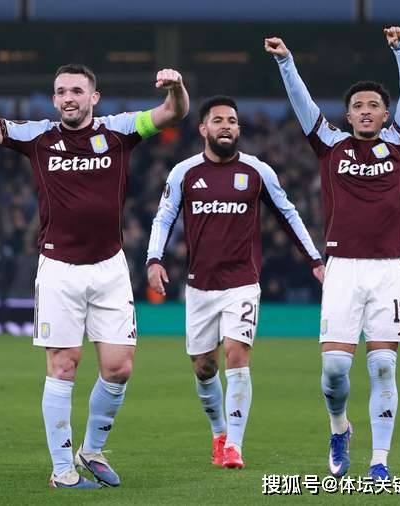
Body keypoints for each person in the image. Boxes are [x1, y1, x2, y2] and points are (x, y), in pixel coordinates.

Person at [0, 61, 188, 488]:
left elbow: (173, 112)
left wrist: (176, 87)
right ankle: (62, 471)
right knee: (63, 365)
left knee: (119, 367)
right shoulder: (38, 136)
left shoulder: (120, 130)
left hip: (110, 267)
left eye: (76, 91)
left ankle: (91, 450)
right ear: (54, 99)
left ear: (94, 97)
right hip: (58, 269)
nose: (68, 98)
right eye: (60, 92)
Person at [266, 26, 400, 481]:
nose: (366, 110)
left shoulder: (399, 143)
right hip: (343, 269)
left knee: (383, 367)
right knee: (335, 370)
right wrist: (285, 61)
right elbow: (302, 104)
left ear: (387, 114)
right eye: (358, 105)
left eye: (374, 105)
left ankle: (380, 461)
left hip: (389, 269)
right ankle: (340, 428)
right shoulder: (331, 146)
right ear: (348, 115)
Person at [146, 96, 324, 470]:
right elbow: (163, 218)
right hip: (199, 286)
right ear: (203, 129)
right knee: (203, 368)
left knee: (237, 354)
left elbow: (288, 214)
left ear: (239, 129)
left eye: (232, 120)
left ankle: (234, 447)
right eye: (218, 120)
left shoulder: (257, 171)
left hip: (242, 282)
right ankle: (219, 433)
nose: (226, 125)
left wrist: (315, 260)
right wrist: (154, 259)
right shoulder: (184, 173)